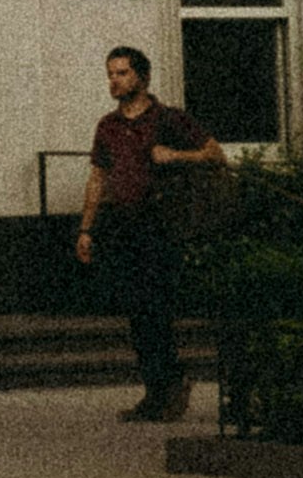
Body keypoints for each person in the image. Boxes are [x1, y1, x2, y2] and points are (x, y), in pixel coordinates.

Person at [73, 45, 227, 418]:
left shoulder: (167, 119)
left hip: (159, 225)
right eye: (110, 74)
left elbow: (215, 154)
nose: (113, 81)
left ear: (140, 77)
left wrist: (176, 155)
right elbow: (98, 177)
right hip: (123, 225)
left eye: (122, 73)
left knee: (155, 307)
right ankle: (158, 389)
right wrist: (86, 229)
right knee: (137, 313)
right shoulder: (108, 127)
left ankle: (169, 385)